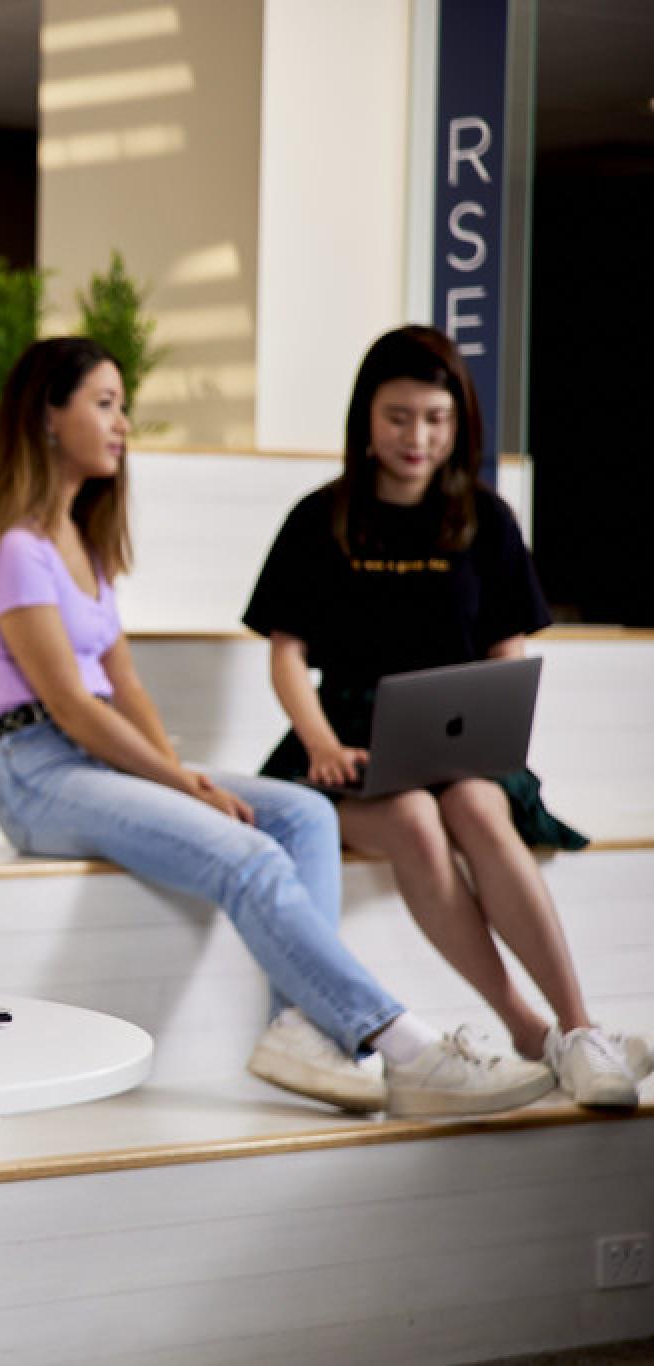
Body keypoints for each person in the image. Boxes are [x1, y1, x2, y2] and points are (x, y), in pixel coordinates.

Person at [0, 336, 556, 1119]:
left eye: (122, 404)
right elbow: (71, 708)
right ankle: (405, 1044)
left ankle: (297, 1029)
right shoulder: (13, 549)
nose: (123, 423)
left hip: (98, 761)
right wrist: (178, 780)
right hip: (37, 772)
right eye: (105, 403)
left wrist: (172, 768)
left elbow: (123, 684)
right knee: (247, 855)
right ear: (48, 418)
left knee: (305, 812)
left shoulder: (82, 545)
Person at [244, 325, 647, 1109]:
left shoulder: (485, 519)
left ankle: (581, 1028)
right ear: (367, 418)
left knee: (475, 809)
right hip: (348, 747)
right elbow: (286, 652)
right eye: (399, 417)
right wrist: (322, 744)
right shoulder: (319, 518)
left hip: (458, 738)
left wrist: (495, 731)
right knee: (420, 826)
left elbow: (509, 648)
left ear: (457, 423)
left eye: (436, 418)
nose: (417, 437)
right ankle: (527, 1029)